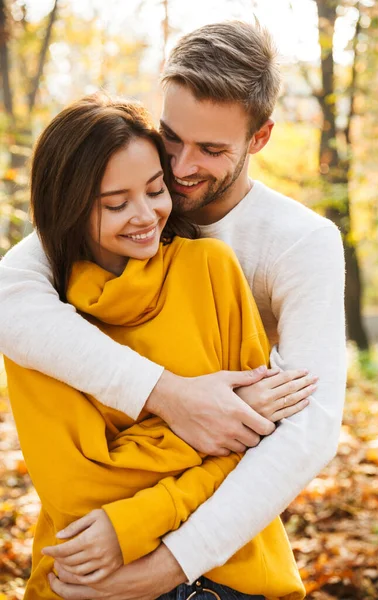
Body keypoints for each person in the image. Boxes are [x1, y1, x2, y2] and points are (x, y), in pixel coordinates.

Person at [0, 21, 346, 600]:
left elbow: (303, 432)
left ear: (259, 138)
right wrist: (171, 396)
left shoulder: (297, 242)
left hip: (219, 546)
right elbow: (11, 301)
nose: (181, 169)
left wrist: (168, 564)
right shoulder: (122, 202)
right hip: (98, 526)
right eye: (171, 137)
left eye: (212, 150)